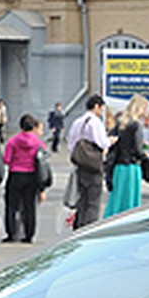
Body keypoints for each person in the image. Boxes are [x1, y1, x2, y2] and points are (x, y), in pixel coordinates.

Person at [66, 93, 109, 227]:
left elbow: (70, 145)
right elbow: (102, 143)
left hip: (80, 165)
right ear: (96, 106)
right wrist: (111, 141)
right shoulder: (95, 122)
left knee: (82, 200)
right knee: (93, 203)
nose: (101, 112)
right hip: (93, 166)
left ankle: (78, 227)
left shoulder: (77, 122)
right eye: (101, 109)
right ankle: (89, 228)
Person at [3, 113, 46, 243]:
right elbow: (42, 157)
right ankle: (29, 235)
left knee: (11, 206)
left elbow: (6, 159)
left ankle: (11, 233)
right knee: (29, 206)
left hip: (15, 174)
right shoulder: (38, 143)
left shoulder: (13, 141)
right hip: (31, 176)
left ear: (21, 126)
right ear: (33, 127)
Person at [104, 93, 148, 217]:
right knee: (130, 203)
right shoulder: (136, 125)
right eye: (145, 108)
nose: (145, 112)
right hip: (131, 168)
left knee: (116, 201)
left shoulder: (120, 124)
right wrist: (146, 156)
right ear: (139, 109)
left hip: (118, 168)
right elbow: (138, 150)